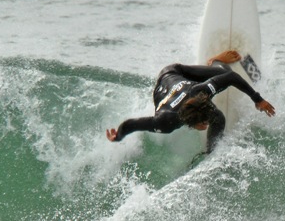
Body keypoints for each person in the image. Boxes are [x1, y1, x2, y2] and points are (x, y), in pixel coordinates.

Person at [106, 50, 275, 153]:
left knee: (224, 71)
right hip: (166, 84)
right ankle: (211, 152)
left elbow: (231, 77)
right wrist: (118, 137)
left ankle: (215, 61)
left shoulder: (200, 91)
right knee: (219, 118)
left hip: (176, 73)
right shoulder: (164, 122)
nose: (206, 124)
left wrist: (258, 100)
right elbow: (131, 125)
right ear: (190, 123)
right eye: (203, 123)